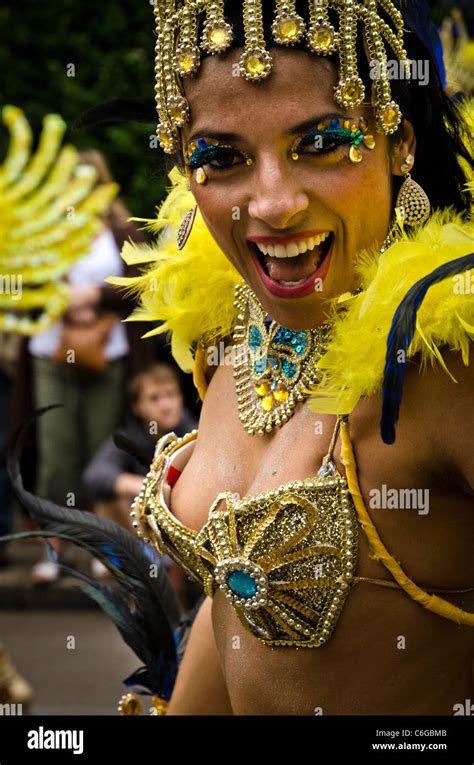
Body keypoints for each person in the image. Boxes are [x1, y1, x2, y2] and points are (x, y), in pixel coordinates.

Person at [116, 0, 473, 716]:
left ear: (397, 142)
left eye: (322, 143)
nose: (273, 203)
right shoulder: (233, 328)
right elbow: (233, 610)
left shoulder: (445, 364)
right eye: (222, 158)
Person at [27, 150, 153, 584]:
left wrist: (94, 299)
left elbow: (139, 285)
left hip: (109, 353)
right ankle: (54, 550)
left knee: (101, 449)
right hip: (50, 354)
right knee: (56, 454)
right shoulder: (42, 228)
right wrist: (65, 302)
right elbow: (24, 283)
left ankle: (103, 547)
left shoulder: (121, 230)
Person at [83, 362, 197, 530]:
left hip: (187, 521)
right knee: (109, 501)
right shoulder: (129, 437)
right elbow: (95, 475)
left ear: (181, 397)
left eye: (171, 395)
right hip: (141, 526)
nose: (165, 405)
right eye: (154, 398)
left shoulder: (196, 434)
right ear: (137, 407)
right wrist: (148, 488)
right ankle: (133, 555)